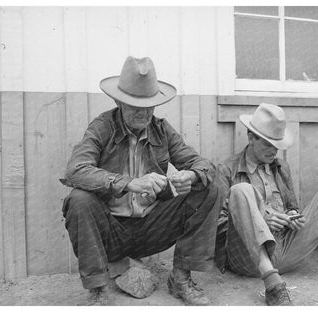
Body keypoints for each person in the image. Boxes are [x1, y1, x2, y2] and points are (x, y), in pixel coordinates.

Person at [60, 56, 222, 305]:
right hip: (111, 230)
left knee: (210, 187)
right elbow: (75, 170)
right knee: (79, 199)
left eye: (149, 105)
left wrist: (189, 175)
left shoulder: (161, 129)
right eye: (136, 106)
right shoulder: (102, 128)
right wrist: (129, 183)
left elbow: (203, 165)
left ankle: (180, 279)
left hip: (153, 227)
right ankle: (98, 289)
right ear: (118, 102)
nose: (144, 113)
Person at [215, 103, 318, 305]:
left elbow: (291, 205)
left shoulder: (281, 166)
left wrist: (292, 216)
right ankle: (273, 286)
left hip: (286, 248)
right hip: (248, 257)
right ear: (251, 137)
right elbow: (218, 225)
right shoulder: (227, 169)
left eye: (277, 145)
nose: (273, 151)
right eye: (268, 144)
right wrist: (262, 220)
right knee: (241, 189)